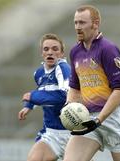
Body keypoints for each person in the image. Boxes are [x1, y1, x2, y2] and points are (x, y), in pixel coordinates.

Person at [63, 5, 120, 161]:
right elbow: (75, 88)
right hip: (88, 119)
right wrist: (68, 107)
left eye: (82, 23)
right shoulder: (75, 52)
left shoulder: (108, 49)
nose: (77, 27)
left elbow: (119, 91)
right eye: (75, 23)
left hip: (115, 118)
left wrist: (99, 120)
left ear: (95, 24)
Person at [18, 33, 71, 161]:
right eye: (46, 49)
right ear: (41, 53)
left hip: (73, 134)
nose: (50, 52)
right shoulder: (39, 73)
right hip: (51, 133)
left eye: (55, 49)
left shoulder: (63, 68)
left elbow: (65, 97)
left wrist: (33, 96)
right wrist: (29, 105)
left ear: (62, 53)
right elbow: (42, 91)